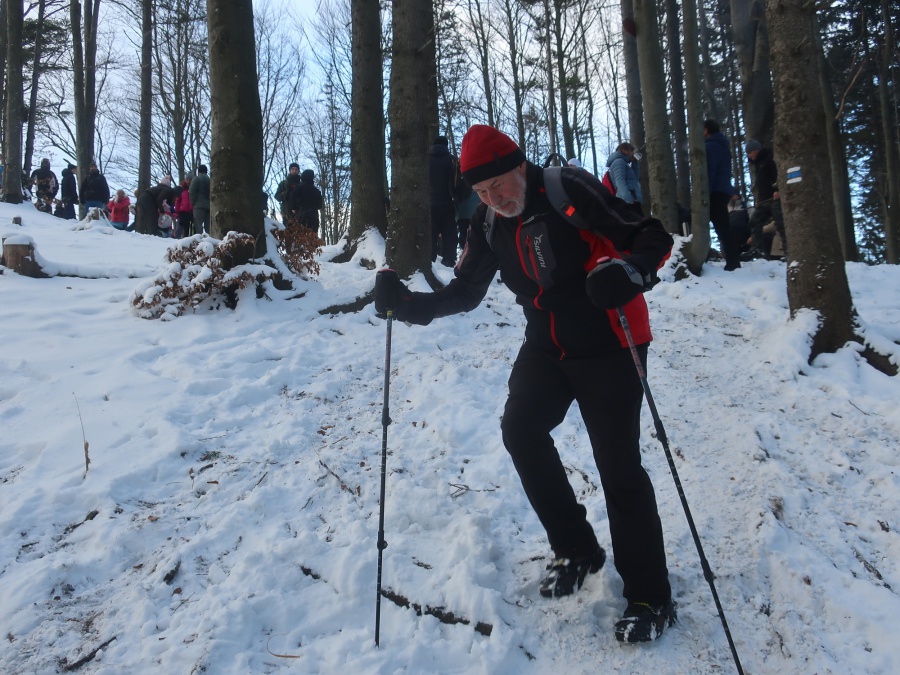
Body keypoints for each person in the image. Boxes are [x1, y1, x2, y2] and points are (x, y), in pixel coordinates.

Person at [374, 124, 676, 643]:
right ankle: (576, 548)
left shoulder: (566, 188)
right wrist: (406, 305)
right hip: (547, 347)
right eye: (481, 192)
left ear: (519, 166)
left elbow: (651, 237)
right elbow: (465, 291)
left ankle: (651, 595)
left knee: (618, 465)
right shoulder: (488, 221)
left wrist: (630, 272)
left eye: (498, 186)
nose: (493, 199)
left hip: (609, 341)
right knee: (521, 430)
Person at [703, 119, 741, 271]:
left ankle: (733, 261)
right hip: (723, 190)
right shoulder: (723, 146)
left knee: (722, 227)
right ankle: (733, 259)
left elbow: (709, 171)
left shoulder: (710, 146)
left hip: (716, 191)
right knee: (723, 226)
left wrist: (705, 192)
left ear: (707, 130)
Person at [743, 139, 786, 260]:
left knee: (781, 224)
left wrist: (777, 189)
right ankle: (756, 249)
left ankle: (788, 251)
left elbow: (777, 175)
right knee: (754, 221)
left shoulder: (769, 159)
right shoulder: (758, 164)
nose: (749, 156)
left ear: (756, 150)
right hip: (763, 200)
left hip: (774, 198)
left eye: (750, 152)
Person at [428, 136, 458, 266]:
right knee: (449, 234)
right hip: (447, 202)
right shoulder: (451, 160)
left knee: (431, 234)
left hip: (430, 203)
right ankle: (449, 261)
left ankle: (430, 260)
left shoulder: (425, 160)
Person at [605, 143, 643, 214]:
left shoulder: (624, 163)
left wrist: (635, 163)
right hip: (628, 200)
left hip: (633, 198)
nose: (632, 153)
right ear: (624, 150)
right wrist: (629, 200)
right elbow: (620, 181)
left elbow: (635, 179)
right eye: (631, 150)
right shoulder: (619, 162)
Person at [189, 164, 211, 235]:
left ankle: (199, 240)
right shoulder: (210, 180)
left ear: (199, 171)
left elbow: (191, 191)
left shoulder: (196, 179)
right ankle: (209, 239)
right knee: (208, 228)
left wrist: (193, 202)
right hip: (209, 206)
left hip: (198, 206)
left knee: (198, 226)